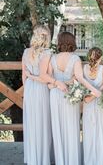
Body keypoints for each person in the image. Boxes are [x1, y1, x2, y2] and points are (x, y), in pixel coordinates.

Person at [44, 32, 101, 165]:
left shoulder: (52, 58)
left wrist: (57, 84)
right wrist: (94, 90)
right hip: (70, 95)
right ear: (72, 42)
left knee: (58, 128)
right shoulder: (75, 59)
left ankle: (61, 161)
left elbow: (48, 81)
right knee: (71, 127)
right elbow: (80, 78)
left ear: (60, 42)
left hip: (55, 94)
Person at [22, 25, 53, 165]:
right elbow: (43, 77)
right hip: (41, 89)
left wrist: (28, 83)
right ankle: (42, 158)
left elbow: (24, 75)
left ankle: (33, 157)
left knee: (32, 122)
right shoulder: (47, 53)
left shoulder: (26, 52)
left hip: (29, 89)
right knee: (43, 122)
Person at [82, 47, 103, 165]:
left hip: (88, 103)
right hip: (100, 104)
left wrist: (92, 95)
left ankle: (90, 161)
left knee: (89, 132)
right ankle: (100, 161)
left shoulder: (84, 68)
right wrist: (100, 88)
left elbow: (82, 86)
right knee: (100, 131)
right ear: (101, 58)